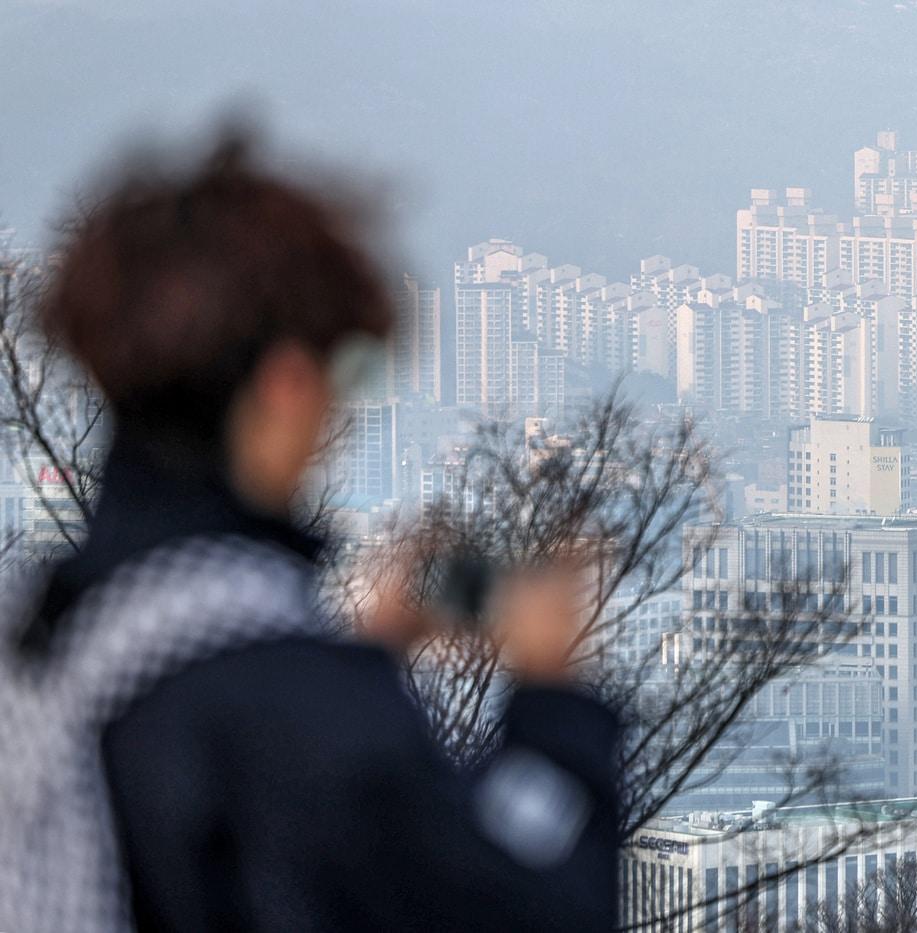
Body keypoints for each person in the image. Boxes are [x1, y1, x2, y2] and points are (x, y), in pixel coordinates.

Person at [0, 136, 619, 932]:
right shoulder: (288, 704)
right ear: (288, 382)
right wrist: (553, 697)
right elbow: (541, 905)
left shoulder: (47, 631)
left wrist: (355, 659)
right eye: (351, 370)